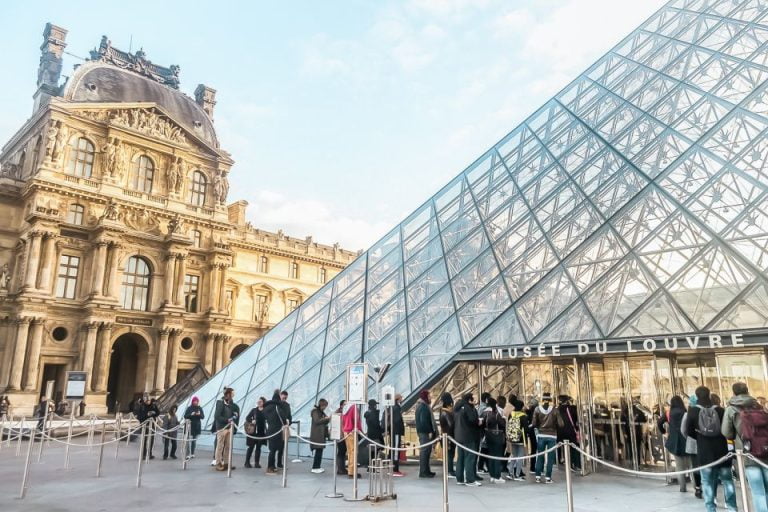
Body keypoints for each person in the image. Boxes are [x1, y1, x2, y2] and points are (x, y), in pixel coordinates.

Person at [683, 386, 736, 512]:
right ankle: (732, 508)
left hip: (704, 452)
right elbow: (727, 430)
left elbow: (687, 431)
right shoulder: (720, 410)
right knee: (727, 480)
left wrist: (699, 436)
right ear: (709, 395)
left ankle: (710, 508)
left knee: (706, 482)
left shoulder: (693, 411)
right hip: (723, 452)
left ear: (696, 396)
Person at [722, 382, 768, 512]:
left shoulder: (731, 409)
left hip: (747, 452)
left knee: (758, 491)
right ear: (747, 391)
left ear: (734, 392)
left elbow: (726, 432)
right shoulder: (759, 405)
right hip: (765, 450)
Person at [658, 396, 691, 492]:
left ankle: (682, 487)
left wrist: (664, 432)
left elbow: (659, 422)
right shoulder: (685, 412)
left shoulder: (668, 413)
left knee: (679, 466)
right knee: (691, 465)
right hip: (686, 440)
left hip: (675, 442)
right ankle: (696, 487)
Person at [532, 392, 564, 483]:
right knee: (550, 458)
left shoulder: (537, 409)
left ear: (542, 400)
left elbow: (534, 423)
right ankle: (548, 478)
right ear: (550, 400)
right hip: (552, 435)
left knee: (540, 456)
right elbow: (561, 424)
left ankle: (538, 476)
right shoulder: (555, 410)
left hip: (541, 435)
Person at [454, 393, 482, 486]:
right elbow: (472, 420)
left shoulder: (457, 408)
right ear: (469, 400)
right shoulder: (467, 408)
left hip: (458, 436)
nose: (474, 401)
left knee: (460, 458)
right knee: (470, 457)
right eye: (473, 399)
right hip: (468, 436)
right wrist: (479, 421)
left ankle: (460, 478)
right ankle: (470, 479)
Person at [681, 395, 703, 498]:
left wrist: (688, 438)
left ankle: (698, 487)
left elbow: (683, 430)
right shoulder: (704, 411)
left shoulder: (688, 414)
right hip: (705, 443)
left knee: (695, 466)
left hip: (692, 444)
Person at [213, 387, 240, 472]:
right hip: (221, 428)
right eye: (232, 394)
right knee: (220, 446)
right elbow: (217, 416)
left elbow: (233, 414)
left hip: (229, 428)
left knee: (228, 446)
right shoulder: (220, 403)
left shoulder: (231, 404)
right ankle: (218, 463)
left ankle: (226, 463)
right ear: (228, 394)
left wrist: (234, 415)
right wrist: (227, 420)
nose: (233, 395)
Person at [482, 397, 506, 484]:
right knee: (497, 456)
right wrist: (504, 419)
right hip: (497, 436)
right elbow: (502, 424)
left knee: (491, 456)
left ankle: (492, 475)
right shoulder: (496, 413)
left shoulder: (485, 412)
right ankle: (497, 476)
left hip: (488, 435)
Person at [415, 389, 438, 478]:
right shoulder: (423, 407)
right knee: (425, 451)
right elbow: (424, 421)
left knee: (427, 451)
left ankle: (426, 470)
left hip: (423, 432)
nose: (430, 397)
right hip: (424, 432)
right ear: (425, 397)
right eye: (429, 396)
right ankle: (424, 472)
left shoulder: (422, 406)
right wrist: (429, 431)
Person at [263, 390, 287, 475]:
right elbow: (283, 418)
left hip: (270, 430)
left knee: (271, 450)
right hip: (277, 430)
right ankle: (270, 467)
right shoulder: (277, 407)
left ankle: (272, 466)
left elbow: (264, 417)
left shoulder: (267, 407)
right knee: (274, 450)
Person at [382, 393, 406, 477]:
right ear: (398, 399)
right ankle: (395, 469)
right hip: (396, 431)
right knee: (395, 449)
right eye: (401, 397)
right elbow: (397, 421)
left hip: (393, 431)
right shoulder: (396, 408)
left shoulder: (392, 407)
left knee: (393, 449)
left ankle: (392, 467)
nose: (402, 399)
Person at [506, 399, 529, 481]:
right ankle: (518, 474)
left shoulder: (511, 414)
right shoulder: (523, 416)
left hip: (512, 438)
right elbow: (526, 429)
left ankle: (510, 473)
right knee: (520, 457)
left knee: (513, 455)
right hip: (521, 438)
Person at [557, 395, 581, 471]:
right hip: (570, 431)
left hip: (560, 431)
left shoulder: (557, 409)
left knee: (563, 447)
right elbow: (576, 419)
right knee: (574, 447)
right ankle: (575, 464)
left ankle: (562, 460)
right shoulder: (572, 409)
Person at [244, 397, 266, 468]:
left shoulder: (266, 411)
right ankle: (247, 462)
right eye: (258, 401)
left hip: (261, 433)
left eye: (261, 401)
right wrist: (251, 421)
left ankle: (257, 463)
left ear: (263, 402)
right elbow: (247, 418)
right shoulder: (254, 410)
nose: (259, 403)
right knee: (251, 447)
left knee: (258, 448)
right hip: (253, 432)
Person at [342, 400, 362, 479]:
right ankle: (352, 472)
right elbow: (356, 420)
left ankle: (350, 470)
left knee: (350, 452)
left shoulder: (345, 407)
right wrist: (360, 430)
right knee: (354, 452)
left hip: (346, 432)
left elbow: (343, 420)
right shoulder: (354, 407)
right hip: (352, 431)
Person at [310, 399, 331, 473]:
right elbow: (317, 421)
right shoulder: (315, 411)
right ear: (321, 405)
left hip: (320, 434)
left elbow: (323, 420)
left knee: (320, 451)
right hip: (317, 434)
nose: (325, 407)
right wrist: (326, 418)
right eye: (324, 406)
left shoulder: (320, 412)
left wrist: (327, 419)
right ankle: (315, 467)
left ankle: (318, 466)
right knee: (318, 450)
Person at [136, 394, 159, 460]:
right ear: (144, 400)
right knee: (144, 440)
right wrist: (147, 415)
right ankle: (143, 454)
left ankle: (150, 453)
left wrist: (154, 413)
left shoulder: (153, 405)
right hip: (144, 425)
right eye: (147, 400)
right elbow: (139, 417)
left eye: (149, 400)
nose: (148, 401)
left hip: (152, 425)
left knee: (151, 440)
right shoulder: (141, 406)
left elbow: (158, 412)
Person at [439, 392, 456, 479]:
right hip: (448, 436)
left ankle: (450, 469)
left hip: (445, 435)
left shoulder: (442, 411)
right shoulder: (446, 413)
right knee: (450, 454)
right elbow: (451, 424)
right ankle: (450, 470)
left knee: (449, 454)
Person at [476, 392, 491, 474]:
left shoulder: (482, 407)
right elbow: (480, 419)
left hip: (483, 431)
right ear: (486, 399)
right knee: (484, 449)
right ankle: (480, 466)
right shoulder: (483, 408)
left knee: (485, 449)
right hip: (483, 431)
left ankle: (482, 466)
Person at [278, 390, 292, 469]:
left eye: (286, 397)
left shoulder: (287, 405)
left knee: (282, 446)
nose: (284, 398)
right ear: (280, 396)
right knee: (276, 446)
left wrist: (289, 423)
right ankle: (275, 463)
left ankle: (279, 463)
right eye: (283, 396)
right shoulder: (277, 405)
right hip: (278, 427)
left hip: (284, 427)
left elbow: (289, 415)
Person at [525, 397, 539, 473]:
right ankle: (537, 467)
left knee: (533, 449)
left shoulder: (527, 412)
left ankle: (532, 467)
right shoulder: (537, 411)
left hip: (529, 431)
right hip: (536, 431)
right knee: (537, 448)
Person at [335, 400, 348, 475]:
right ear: (341, 405)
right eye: (344, 404)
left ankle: (342, 468)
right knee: (341, 452)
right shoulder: (339, 414)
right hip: (340, 436)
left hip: (342, 435)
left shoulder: (342, 413)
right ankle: (340, 469)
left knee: (342, 452)